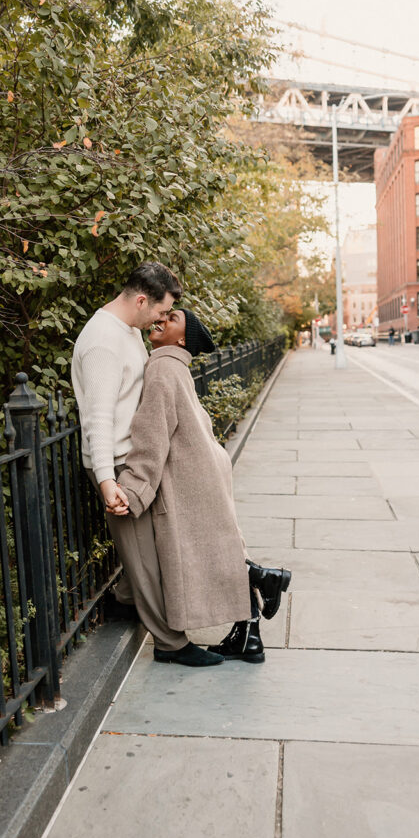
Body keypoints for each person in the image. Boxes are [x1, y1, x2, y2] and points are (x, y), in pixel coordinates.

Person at [113, 308, 291, 664]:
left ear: (182, 338)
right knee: (219, 545)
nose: (161, 319)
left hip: (190, 476)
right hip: (204, 468)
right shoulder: (175, 365)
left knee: (202, 552)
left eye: (172, 317)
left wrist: (132, 490)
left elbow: (152, 436)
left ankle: (259, 583)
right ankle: (252, 615)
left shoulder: (162, 367)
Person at [72, 262, 223, 668]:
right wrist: (108, 482)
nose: (162, 319)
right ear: (142, 300)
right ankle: (171, 645)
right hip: (119, 465)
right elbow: (97, 420)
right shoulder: (104, 341)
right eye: (160, 311)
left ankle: (124, 601)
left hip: (132, 458)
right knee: (145, 558)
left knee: (144, 549)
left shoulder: (127, 332)